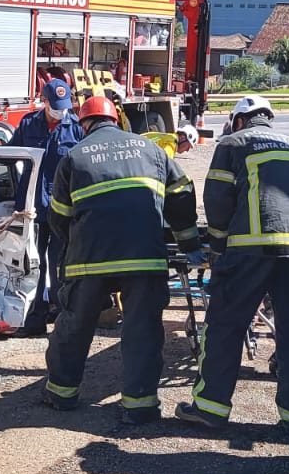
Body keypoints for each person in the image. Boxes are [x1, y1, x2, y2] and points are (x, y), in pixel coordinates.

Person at [43, 96, 204, 424]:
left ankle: (61, 394)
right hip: (143, 258)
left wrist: (75, 245)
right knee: (142, 329)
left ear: (85, 124)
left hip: (90, 260)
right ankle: (140, 405)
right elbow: (182, 193)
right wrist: (188, 242)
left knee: (74, 326)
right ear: (116, 119)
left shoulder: (74, 156)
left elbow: (58, 216)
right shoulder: (152, 150)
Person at [175, 95, 289, 434]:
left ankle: (210, 408)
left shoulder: (233, 142)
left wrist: (218, 243)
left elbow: (216, 197)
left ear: (239, 120)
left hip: (250, 249)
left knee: (225, 326)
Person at [8, 78, 86, 334]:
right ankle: (35, 318)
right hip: (32, 209)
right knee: (33, 265)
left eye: (64, 105)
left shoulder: (75, 129)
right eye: (55, 105)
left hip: (64, 211)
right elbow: (10, 157)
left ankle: (64, 319)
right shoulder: (29, 124)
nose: (61, 110)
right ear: (44, 101)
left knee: (61, 264)